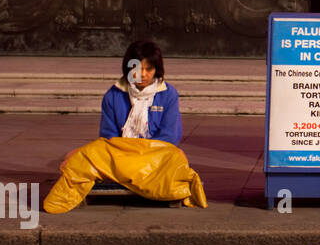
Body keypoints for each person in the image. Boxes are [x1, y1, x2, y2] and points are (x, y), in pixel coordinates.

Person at [43, 41, 206, 213]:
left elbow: (170, 137)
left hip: (154, 155)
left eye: (148, 69)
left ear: (156, 70)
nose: (142, 74)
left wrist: (141, 152)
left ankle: (121, 175)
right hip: (120, 153)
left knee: (178, 156)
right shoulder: (113, 94)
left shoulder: (169, 94)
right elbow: (108, 136)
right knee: (73, 157)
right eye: (137, 69)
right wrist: (128, 152)